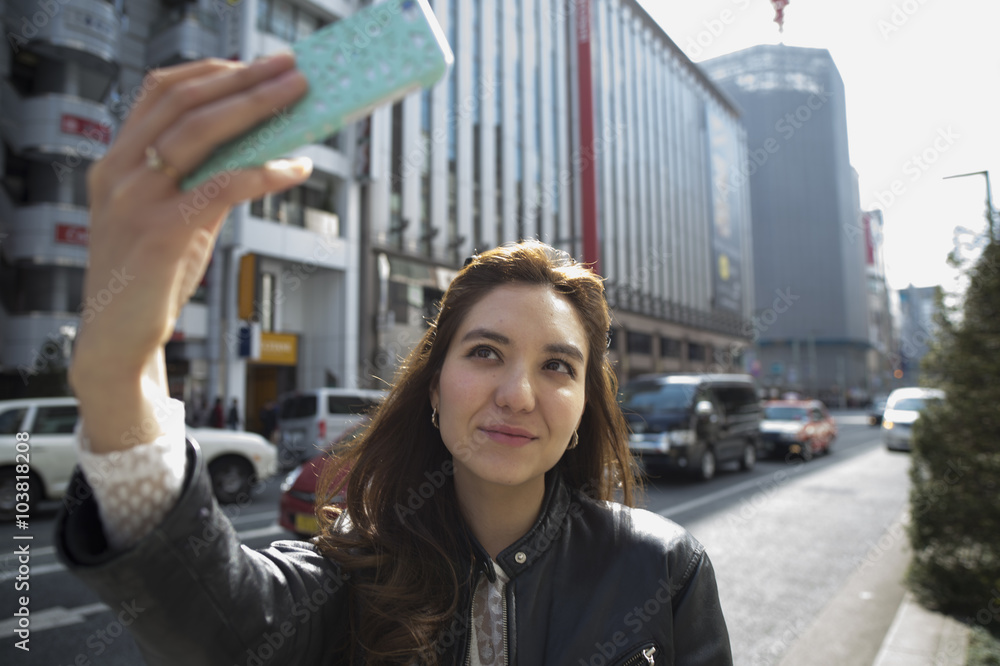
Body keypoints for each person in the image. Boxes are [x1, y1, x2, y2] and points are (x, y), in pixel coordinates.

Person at [55, 53, 731, 665]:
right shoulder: (352, 572)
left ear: (585, 405)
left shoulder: (662, 569)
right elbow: (215, 628)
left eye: (558, 366)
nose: (518, 394)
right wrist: (119, 375)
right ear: (434, 389)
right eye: (486, 352)